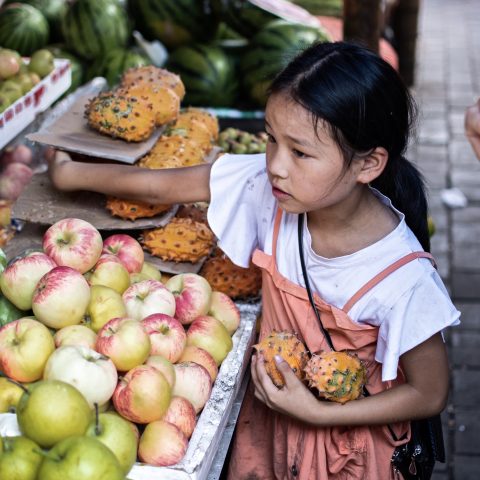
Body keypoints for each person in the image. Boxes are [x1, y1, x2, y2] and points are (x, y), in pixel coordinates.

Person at [48, 41, 460, 479]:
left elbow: (430, 393)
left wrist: (319, 414)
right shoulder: (275, 189)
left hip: (348, 454)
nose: (277, 165)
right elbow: (158, 188)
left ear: (369, 163)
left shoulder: (401, 276)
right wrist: (70, 174)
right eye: (271, 139)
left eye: (300, 152)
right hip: (270, 427)